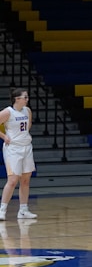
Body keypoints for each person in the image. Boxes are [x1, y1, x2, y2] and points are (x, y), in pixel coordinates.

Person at [0, 88, 37, 221]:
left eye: (27, 97)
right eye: (25, 97)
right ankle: (2, 210)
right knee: (13, 180)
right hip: (13, 149)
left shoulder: (27, 111)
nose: (27, 99)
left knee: (26, 180)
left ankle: (23, 210)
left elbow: (28, 125)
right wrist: (4, 136)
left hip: (26, 147)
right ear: (17, 99)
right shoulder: (8, 112)